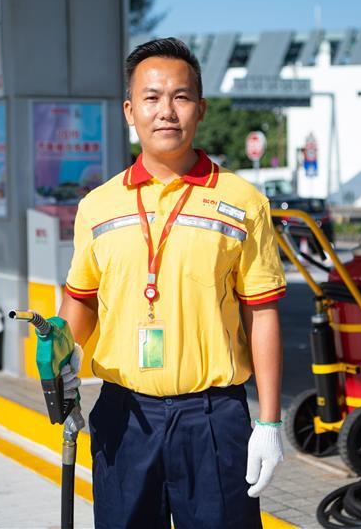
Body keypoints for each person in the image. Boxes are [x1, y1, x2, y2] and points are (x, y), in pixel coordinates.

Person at [55, 37, 286, 529]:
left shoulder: (243, 202)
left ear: (200, 108)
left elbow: (261, 312)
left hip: (213, 418)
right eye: (152, 97)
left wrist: (269, 421)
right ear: (129, 110)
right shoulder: (97, 206)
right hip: (125, 416)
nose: (166, 111)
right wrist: (62, 355)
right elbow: (82, 299)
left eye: (180, 97)